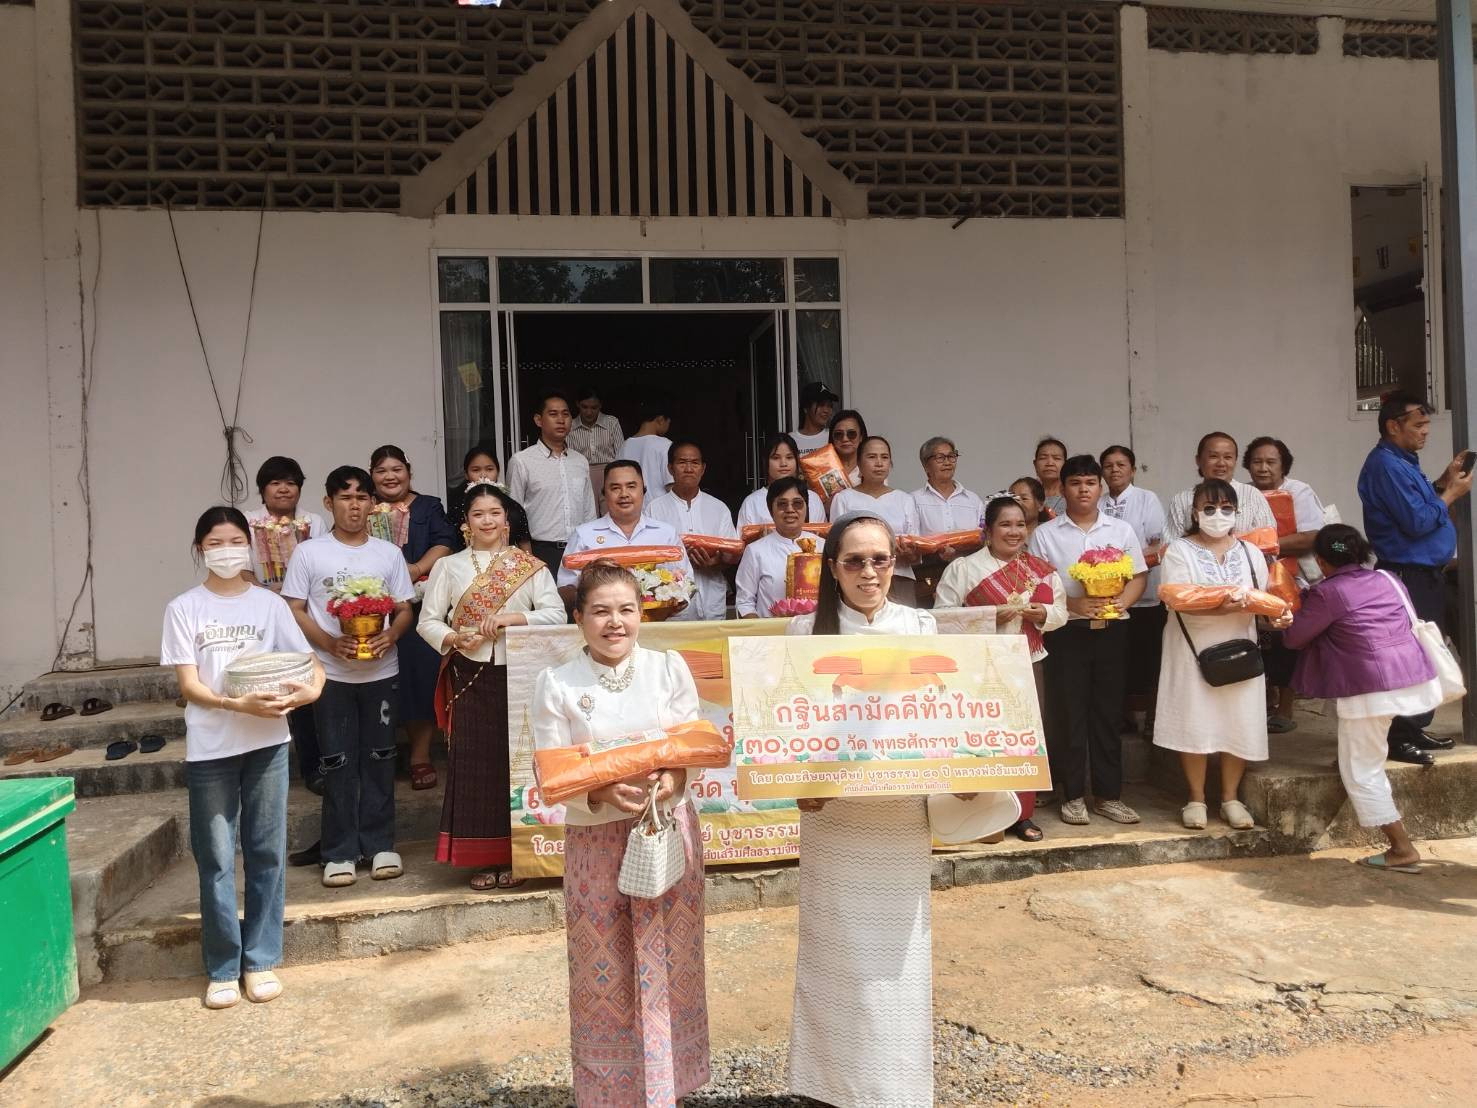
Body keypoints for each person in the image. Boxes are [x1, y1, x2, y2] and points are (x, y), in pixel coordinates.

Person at [530, 562, 710, 1106]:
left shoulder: (667, 668)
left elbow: (691, 743)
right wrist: (601, 792)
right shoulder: (557, 682)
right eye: (601, 611)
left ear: (641, 614)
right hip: (596, 842)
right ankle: (609, 1092)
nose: (615, 623)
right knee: (601, 963)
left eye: (627, 610)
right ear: (579, 618)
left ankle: (669, 1086)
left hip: (666, 827)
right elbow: (551, 770)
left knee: (673, 954)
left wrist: (675, 778)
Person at [784, 511, 938, 1108]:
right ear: (832, 568)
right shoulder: (804, 633)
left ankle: (897, 1090)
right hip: (835, 820)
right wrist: (798, 783)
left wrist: (965, 775)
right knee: (835, 955)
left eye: (879, 559)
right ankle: (831, 1088)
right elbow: (785, 725)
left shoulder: (921, 627)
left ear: (895, 564)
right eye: (854, 560)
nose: (868, 571)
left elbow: (945, 717)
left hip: (900, 819)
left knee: (899, 963)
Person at [162, 506, 326, 1010]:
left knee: (266, 851)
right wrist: (235, 704)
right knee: (214, 857)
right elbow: (189, 685)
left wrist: (309, 692)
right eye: (215, 542)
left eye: (235, 540)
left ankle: (260, 960)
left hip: (267, 743)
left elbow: (310, 665)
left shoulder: (269, 605)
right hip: (211, 746)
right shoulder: (184, 608)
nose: (227, 550)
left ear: (249, 546)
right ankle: (221, 967)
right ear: (200, 549)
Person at [417, 484, 565, 890]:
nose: (487, 521)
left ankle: (523, 856)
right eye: (478, 513)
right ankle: (484, 857)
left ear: (506, 518)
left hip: (522, 676)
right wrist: (453, 638)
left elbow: (556, 614)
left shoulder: (530, 567)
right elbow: (428, 621)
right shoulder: (449, 567)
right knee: (476, 766)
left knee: (519, 764)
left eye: (495, 513)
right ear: (466, 522)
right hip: (470, 673)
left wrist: (512, 620)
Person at [282, 466, 415, 888]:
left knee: (381, 759)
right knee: (337, 762)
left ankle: (379, 845)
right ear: (329, 503)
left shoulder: (388, 554)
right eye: (345, 497)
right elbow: (293, 607)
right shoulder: (309, 553)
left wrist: (392, 635)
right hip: (332, 675)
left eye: (361, 497)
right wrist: (327, 642)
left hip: (381, 672)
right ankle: (339, 852)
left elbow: (404, 608)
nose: (354, 505)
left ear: (373, 504)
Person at [1283, 525, 1441, 873]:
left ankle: (1401, 848)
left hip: (1369, 686)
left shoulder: (1328, 592)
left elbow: (1294, 638)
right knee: (1366, 746)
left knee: (1361, 770)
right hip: (1409, 675)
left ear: (1321, 561)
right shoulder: (1388, 578)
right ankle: (1352, 758)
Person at [1154, 480, 1290, 830]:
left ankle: (1230, 798)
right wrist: (1223, 605)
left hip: (1240, 647)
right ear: (1195, 513)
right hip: (1191, 649)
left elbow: (1263, 603)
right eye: (1209, 508)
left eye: (1226, 508)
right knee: (1194, 721)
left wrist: (1278, 617)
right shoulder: (1179, 550)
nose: (1218, 515)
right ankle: (1196, 798)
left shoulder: (1251, 552)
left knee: (1238, 720)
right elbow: (1178, 600)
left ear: (1236, 513)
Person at [936, 495, 1067, 841]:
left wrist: (1044, 614)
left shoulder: (1041, 569)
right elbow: (941, 616)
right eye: (1005, 524)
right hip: (977, 666)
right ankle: (984, 813)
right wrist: (987, 617)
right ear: (988, 530)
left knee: (1024, 738)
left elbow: (1061, 612)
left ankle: (1022, 813)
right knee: (983, 737)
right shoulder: (964, 568)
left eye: (1020, 524)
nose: (1014, 531)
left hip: (1027, 662)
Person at [1029, 455, 1148, 826]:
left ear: (1100, 488)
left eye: (1091, 483)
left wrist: (1121, 603)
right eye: (1076, 483)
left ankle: (1109, 796)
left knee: (1109, 713)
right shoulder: (1045, 534)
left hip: (1113, 630)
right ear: (1063, 489)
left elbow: (1138, 576)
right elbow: (1038, 586)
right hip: (1067, 632)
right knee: (1069, 713)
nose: (1084, 489)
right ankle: (1073, 795)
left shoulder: (1121, 530)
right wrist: (1074, 604)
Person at [1356, 392, 1470, 765]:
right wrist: (1452, 494)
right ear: (1394, 426)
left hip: (1424, 573)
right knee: (1411, 655)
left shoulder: (1402, 461)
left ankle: (1413, 728)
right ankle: (1399, 736)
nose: (1425, 431)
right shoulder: (1385, 465)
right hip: (1407, 574)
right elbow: (1417, 521)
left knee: (1428, 652)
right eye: (1418, 424)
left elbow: (1420, 504)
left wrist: (1442, 482)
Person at [369, 445, 458, 792]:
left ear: (409, 471)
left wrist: (416, 569)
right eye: (381, 470)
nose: (390, 476)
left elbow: (445, 542)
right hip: (371, 609)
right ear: (372, 476)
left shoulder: (428, 506)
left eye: (397, 469)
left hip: (420, 608)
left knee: (419, 677)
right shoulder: (364, 507)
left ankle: (420, 756)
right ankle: (382, 752)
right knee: (375, 680)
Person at [245, 455, 328, 793]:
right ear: (263, 489)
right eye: (275, 482)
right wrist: (271, 595)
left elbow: (320, 566)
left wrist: (294, 595)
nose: (283, 489)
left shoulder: (314, 521)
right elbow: (242, 569)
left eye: (291, 483)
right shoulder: (247, 521)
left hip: (305, 612)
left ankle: (315, 767)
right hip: (262, 613)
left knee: (305, 689)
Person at [1243, 435, 1325, 734]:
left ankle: (1286, 707)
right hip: (1252, 579)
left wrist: (1258, 544)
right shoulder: (1243, 493)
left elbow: (1312, 537)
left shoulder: (1298, 491)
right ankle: (1265, 700)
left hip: (1293, 580)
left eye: (1270, 462)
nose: (1263, 468)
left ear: (1283, 465)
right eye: (1256, 461)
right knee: (1257, 642)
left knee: (1287, 642)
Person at [557, 460, 696, 609]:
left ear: (643, 490)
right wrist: (597, 596)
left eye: (631, 486)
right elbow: (564, 590)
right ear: (604, 493)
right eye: (615, 488)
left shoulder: (666, 533)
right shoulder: (584, 535)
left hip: (659, 620)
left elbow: (688, 583)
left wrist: (674, 600)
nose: (624, 494)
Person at [1099, 445, 1169, 734]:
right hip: (1107, 595)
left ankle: (1154, 720)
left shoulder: (1146, 498)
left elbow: (1156, 544)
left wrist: (1124, 566)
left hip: (1145, 592)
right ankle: (1124, 716)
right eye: (1108, 465)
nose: (1115, 470)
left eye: (1121, 464)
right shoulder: (1098, 502)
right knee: (1119, 659)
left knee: (1150, 658)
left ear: (1133, 470)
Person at [507, 389, 598, 577]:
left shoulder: (580, 461)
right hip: (539, 552)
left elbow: (589, 512)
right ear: (538, 420)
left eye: (566, 414)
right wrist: (526, 557)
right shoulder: (522, 461)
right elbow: (513, 514)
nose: (561, 420)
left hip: (579, 549)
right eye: (553, 414)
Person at [646, 441, 740, 621]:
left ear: (703, 469)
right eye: (682, 462)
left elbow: (732, 555)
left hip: (712, 599)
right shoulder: (654, 509)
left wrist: (715, 562)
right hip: (672, 604)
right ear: (670, 468)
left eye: (695, 463)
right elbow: (648, 561)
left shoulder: (719, 508)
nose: (689, 469)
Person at [828, 436, 921, 605]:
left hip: (899, 577)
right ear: (859, 463)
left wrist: (910, 553)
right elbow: (836, 546)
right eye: (872, 457)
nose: (879, 463)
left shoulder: (905, 499)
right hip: (857, 578)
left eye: (884, 457)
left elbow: (916, 550)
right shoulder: (844, 499)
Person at [912, 435, 984, 607]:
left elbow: (983, 539)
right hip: (929, 578)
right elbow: (913, 542)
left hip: (970, 578)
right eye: (940, 457)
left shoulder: (973, 500)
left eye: (951, 456)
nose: (947, 462)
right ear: (925, 465)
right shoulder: (913, 500)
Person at [1166, 432, 1275, 538]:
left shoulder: (1252, 495)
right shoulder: (1181, 500)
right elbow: (1169, 544)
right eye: (1213, 456)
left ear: (1235, 461)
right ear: (1198, 460)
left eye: (1228, 457)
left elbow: (1269, 541)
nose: (1221, 463)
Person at [735, 477, 810, 618]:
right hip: (770, 629)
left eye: (797, 503)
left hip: (817, 629)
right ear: (771, 510)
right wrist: (761, 629)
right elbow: (744, 603)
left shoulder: (823, 547)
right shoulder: (755, 551)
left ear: (806, 507)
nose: (790, 510)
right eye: (782, 504)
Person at [737, 432, 825, 528]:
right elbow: (744, 536)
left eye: (789, 457)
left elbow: (822, 535)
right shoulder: (752, 502)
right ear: (765, 461)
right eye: (776, 458)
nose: (783, 463)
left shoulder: (813, 499)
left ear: (797, 460)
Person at [617, 395, 675, 496]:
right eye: (668, 423)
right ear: (661, 420)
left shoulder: (624, 446)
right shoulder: (666, 445)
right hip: (659, 505)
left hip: (632, 504)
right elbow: (671, 486)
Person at [446, 444, 503, 531]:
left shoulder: (511, 506)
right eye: (476, 470)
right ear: (466, 474)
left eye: (489, 469)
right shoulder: (456, 509)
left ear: (498, 472)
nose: (483, 475)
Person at [792, 381, 839, 452]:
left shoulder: (835, 437)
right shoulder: (791, 440)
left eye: (830, 406)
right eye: (821, 405)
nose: (826, 410)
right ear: (806, 408)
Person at [826, 408, 868, 484]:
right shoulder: (822, 468)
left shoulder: (871, 467)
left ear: (861, 437)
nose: (845, 439)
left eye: (851, 434)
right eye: (839, 434)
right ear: (832, 438)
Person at [1033, 437, 1069, 517]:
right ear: (1035, 465)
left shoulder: (1073, 495)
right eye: (1043, 458)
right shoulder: (1027, 495)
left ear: (1066, 464)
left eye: (1057, 458)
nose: (1049, 463)